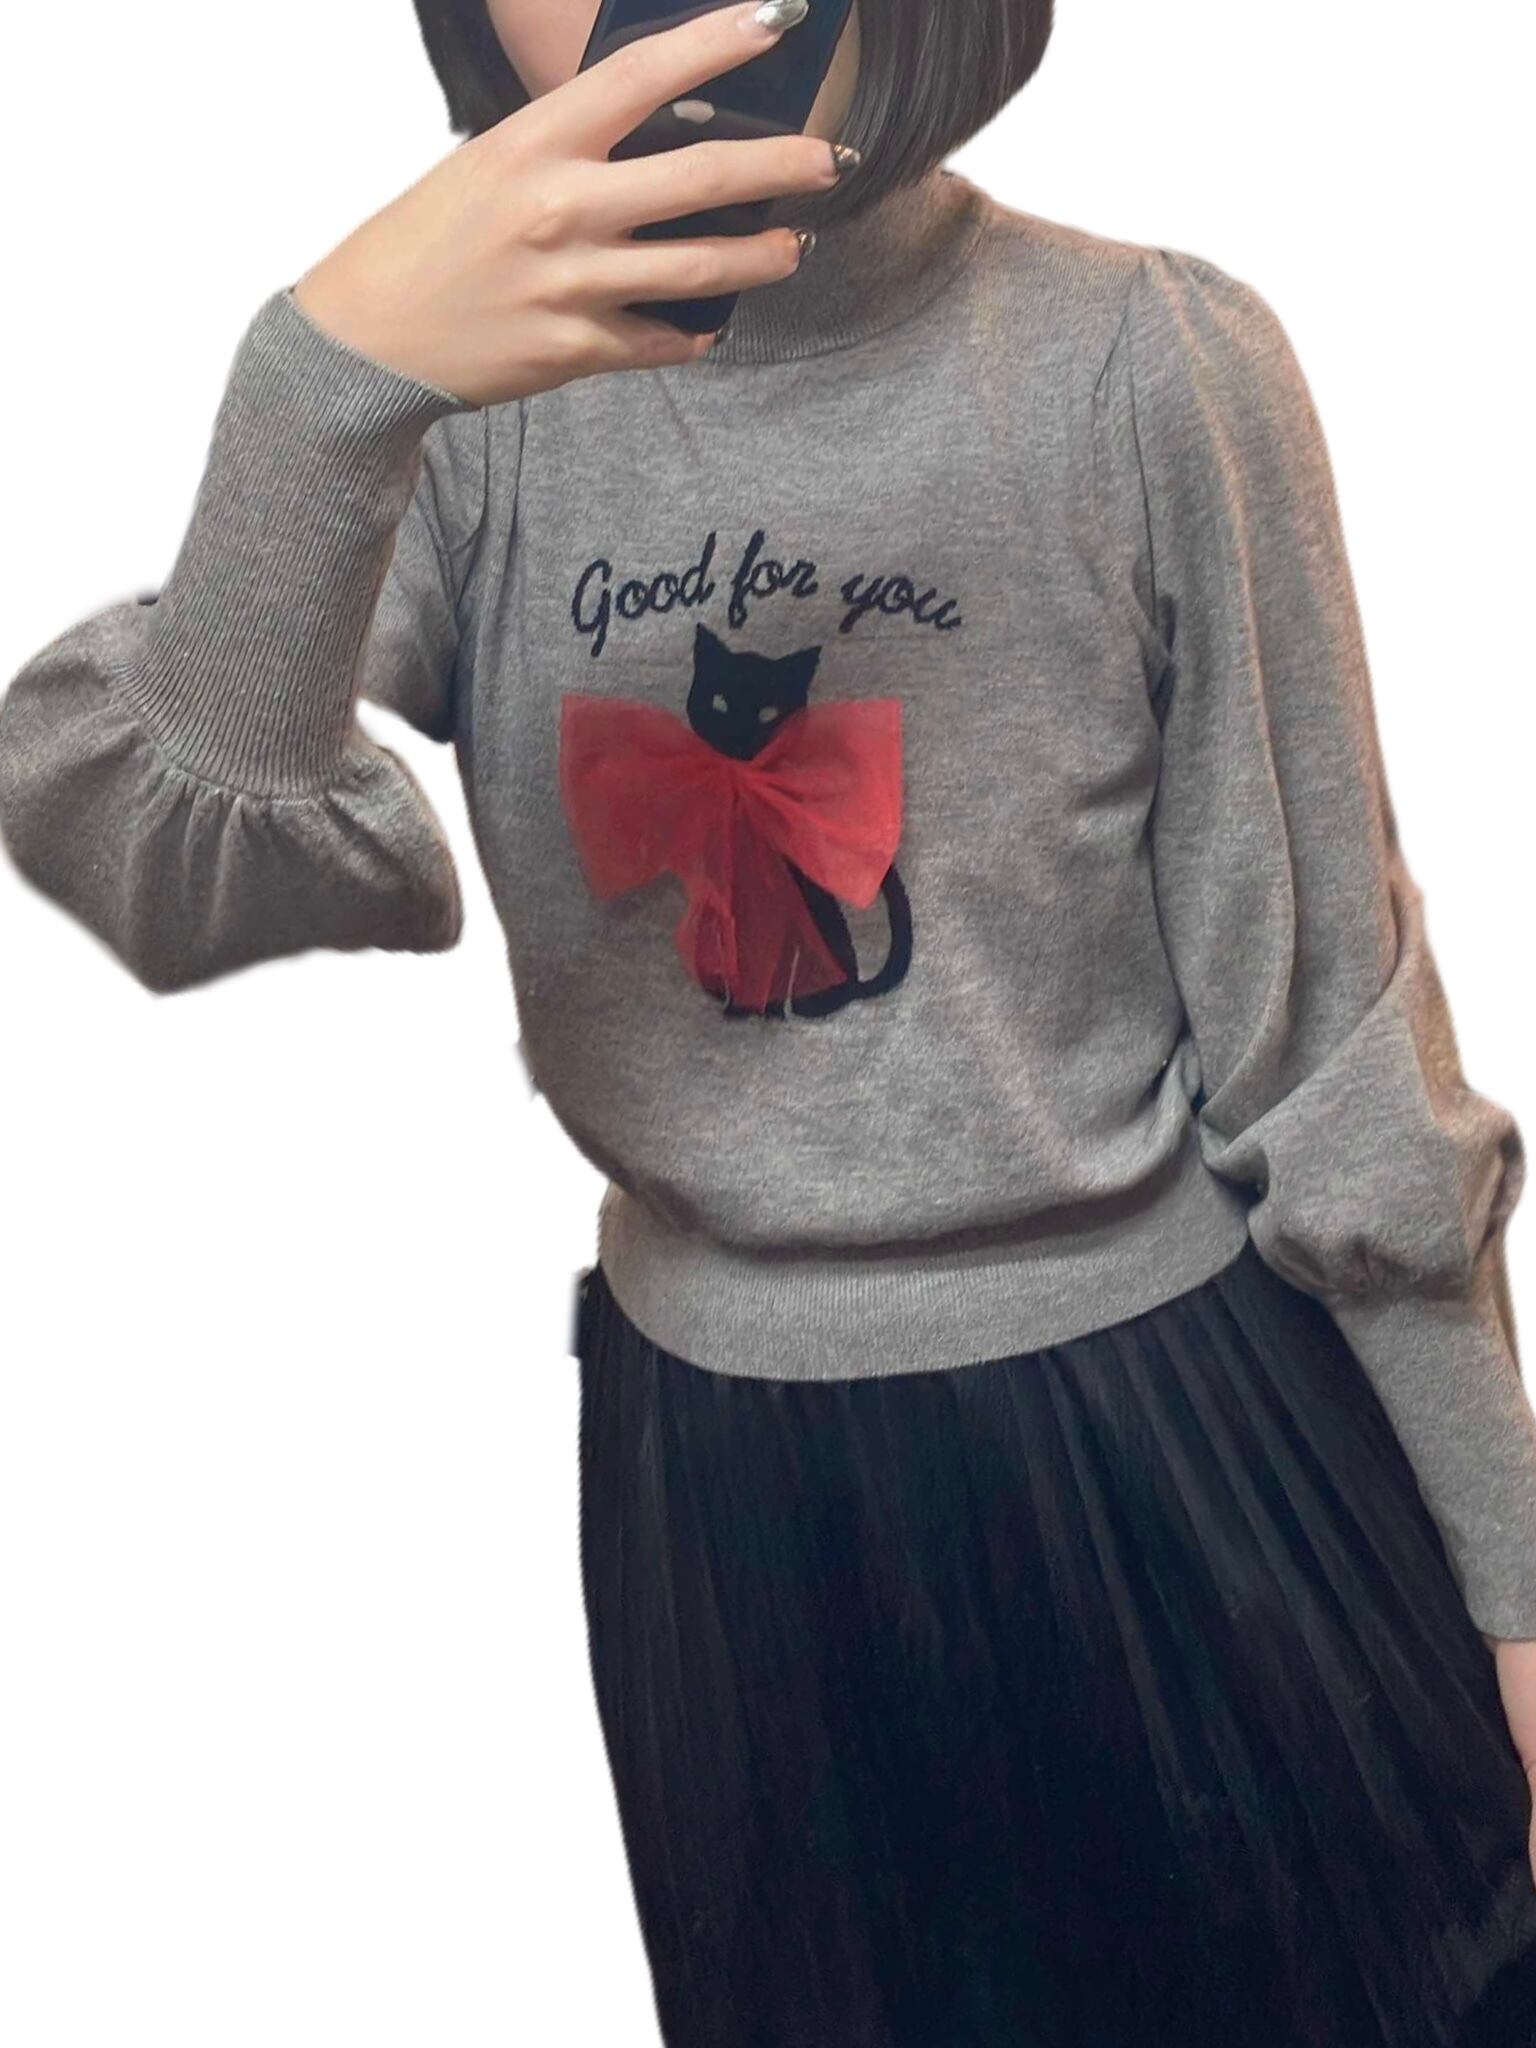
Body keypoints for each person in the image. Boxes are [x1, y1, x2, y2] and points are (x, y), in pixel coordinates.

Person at [2, 1, 1534, 2039]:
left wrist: (1513, 1576)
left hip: (1189, 1423)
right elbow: (163, 852)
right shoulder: (468, 435)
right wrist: (320, 382)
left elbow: (1336, 1039)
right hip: (724, 1486)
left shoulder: (1150, 358)